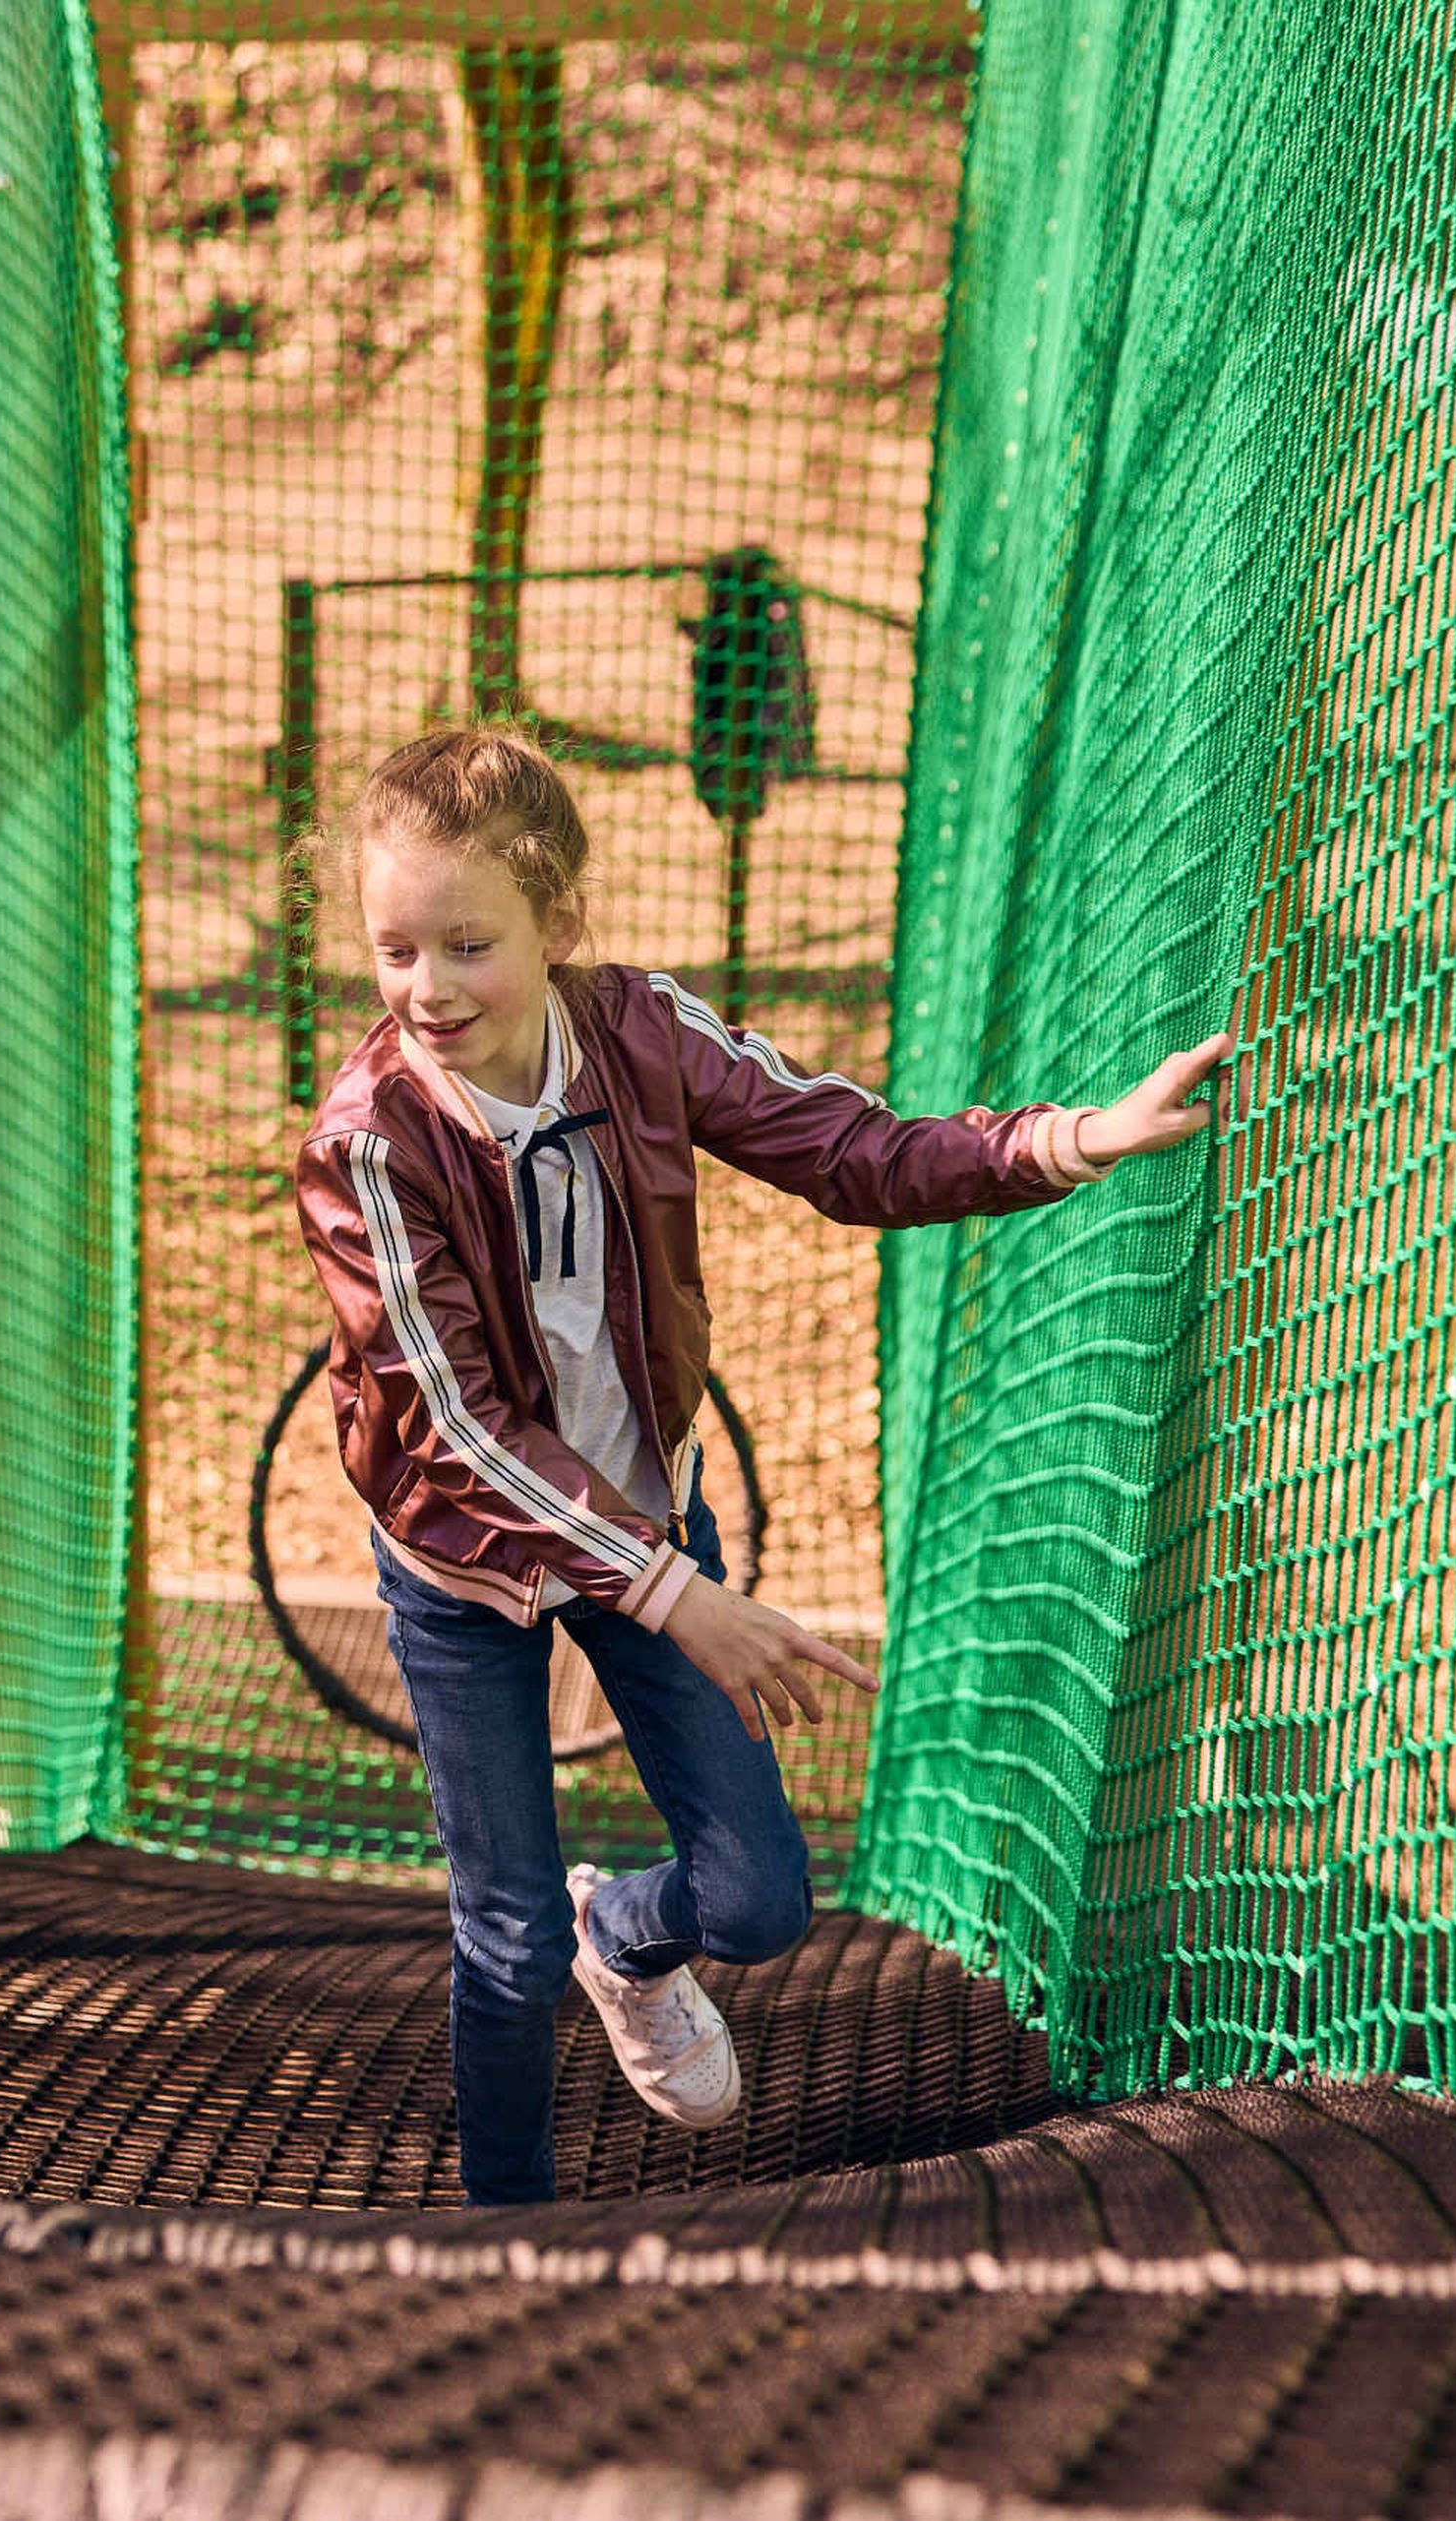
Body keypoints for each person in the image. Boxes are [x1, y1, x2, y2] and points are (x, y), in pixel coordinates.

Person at [292, 724, 1224, 2206]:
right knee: (506, 1930)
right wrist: (673, 1593)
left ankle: (633, 1941)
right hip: (467, 1569)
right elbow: (458, 1430)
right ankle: (504, 2228)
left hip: (647, 1528)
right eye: (395, 950)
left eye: (468, 943)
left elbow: (842, 1147)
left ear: (557, 926)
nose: (429, 988)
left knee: (758, 1893)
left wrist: (1064, 1140)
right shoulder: (366, 1143)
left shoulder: (643, 1034)